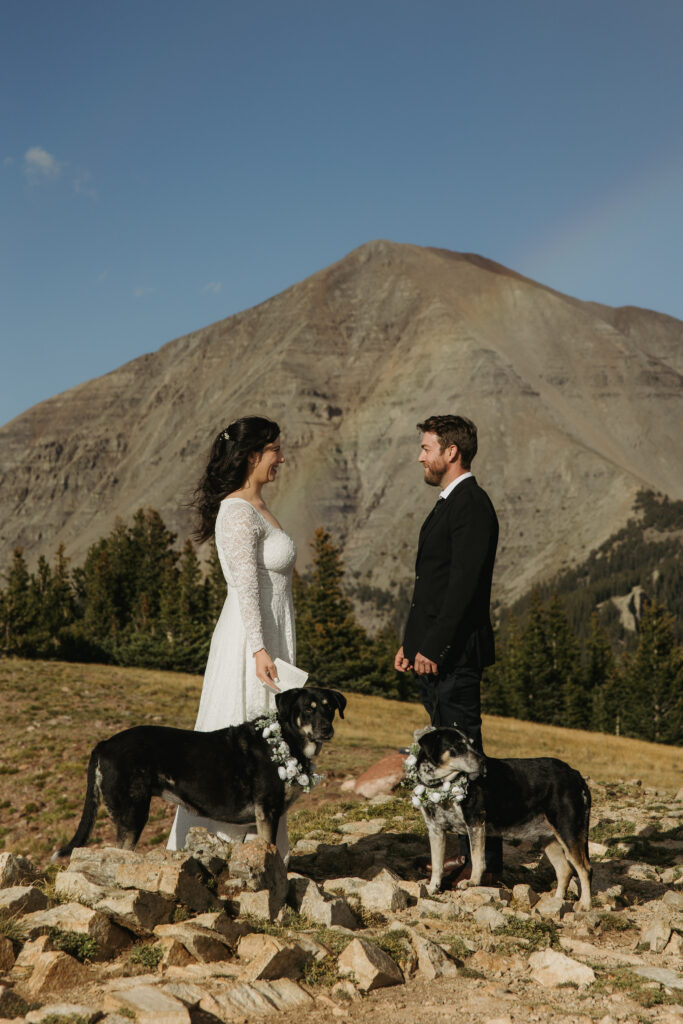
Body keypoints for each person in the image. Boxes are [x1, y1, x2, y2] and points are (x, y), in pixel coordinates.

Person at [167, 416, 296, 860]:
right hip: (249, 640)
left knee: (269, 745)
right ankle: (215, 852)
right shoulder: (237, 511)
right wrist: (259, 649)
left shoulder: (259, 508)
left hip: (270, 636)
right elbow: (244, 584)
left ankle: (264, 850)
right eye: (276, 449)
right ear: (252, 455)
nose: (282, 457)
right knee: (240, 736)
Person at [394, 414, 502, 884]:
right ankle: (462, 855)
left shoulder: (471, 505)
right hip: (435, 653)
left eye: (426, 447)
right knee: (444, 755)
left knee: (468, 757)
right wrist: (412, 643)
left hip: (455, 655)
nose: (420, 456)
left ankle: (486, 865)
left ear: (450, 452)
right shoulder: (448, 504)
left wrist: (435, 645)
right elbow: (430, 586)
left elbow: (462, 587)